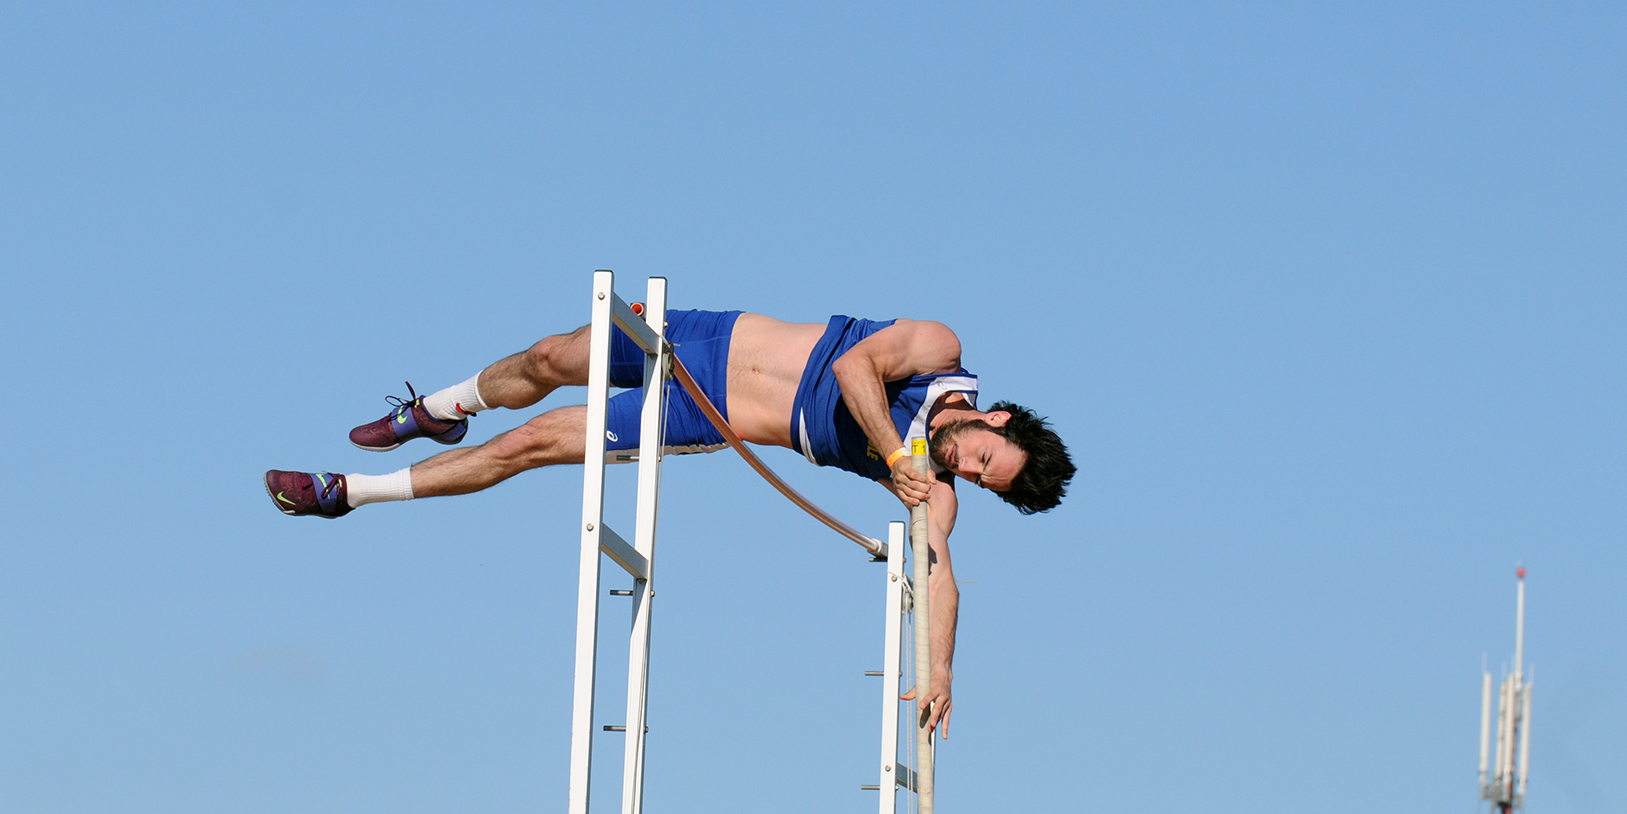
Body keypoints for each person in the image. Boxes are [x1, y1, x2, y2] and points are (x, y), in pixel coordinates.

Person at [265, 309, 1075, 735]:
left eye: (978, 481)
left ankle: (349, 493)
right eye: (979, 458)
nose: (962, 468)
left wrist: (941, 672)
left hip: (708, 410)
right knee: (550, 357)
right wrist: (894, 452)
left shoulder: (931, 490)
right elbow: (853, 365)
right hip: (707, 334)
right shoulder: (937, 348)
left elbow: (941, 577)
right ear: (993, 419)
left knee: (532, 444)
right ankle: (437, 409)